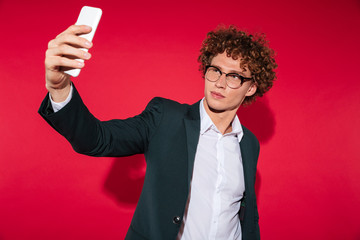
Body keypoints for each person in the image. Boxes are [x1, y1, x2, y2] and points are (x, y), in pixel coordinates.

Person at [39, 24, 277, 240]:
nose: (220, 82)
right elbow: (96, 139)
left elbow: (242, 214)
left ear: (251, 87)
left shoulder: (248, 143)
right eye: (215, 70)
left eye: (234, 76)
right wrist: (60, 88)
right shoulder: (165, 118)